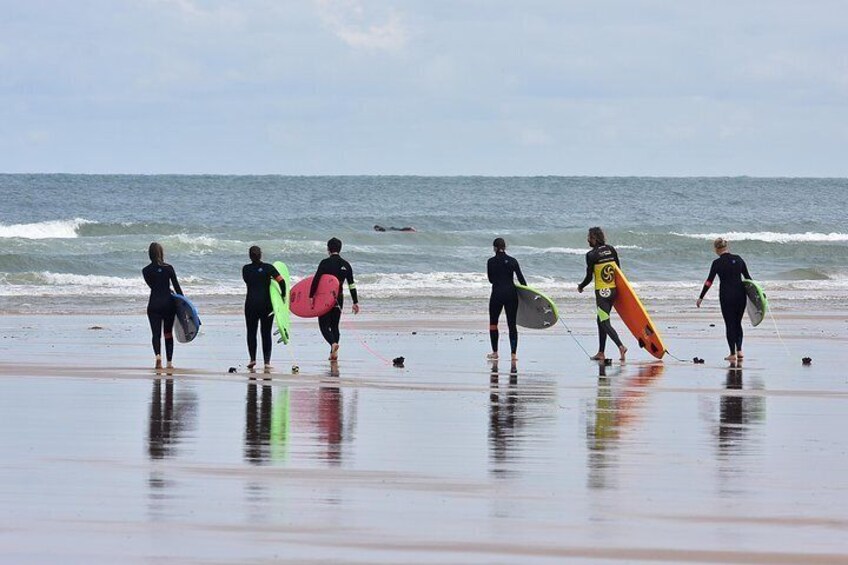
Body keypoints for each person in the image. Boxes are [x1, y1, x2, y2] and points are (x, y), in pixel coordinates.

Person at [696, 237, 752, 362]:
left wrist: (701, 297)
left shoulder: (717, 263)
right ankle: (740, 351)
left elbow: (709, 281)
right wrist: (757, 296)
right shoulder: (738, 259)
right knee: (738, 323)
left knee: (729, 324)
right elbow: (748, 279)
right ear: (727, 247)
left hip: (726, 296)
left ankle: (732, 353)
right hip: (740, 295)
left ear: (716, 249)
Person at [577, 227, 628, 362]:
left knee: (604, 321)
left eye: (589, 237)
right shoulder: (611, 249)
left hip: (602, 293)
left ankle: (621, 346)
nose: (587, 239)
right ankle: (601, 352)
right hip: (613, 291)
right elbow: (619, 271)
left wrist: (581, 286)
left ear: (593, 238)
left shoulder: (591, 255)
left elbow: (589, 277)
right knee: (600, 320)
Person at [310, 237, 359, 361]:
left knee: (323, 325)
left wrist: (311, 296)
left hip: (324, 299)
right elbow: (351, 284)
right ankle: (334, 353)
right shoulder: (346, 264)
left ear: (328, 249)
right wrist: (355, 302)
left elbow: (316, 280)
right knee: (335, 325)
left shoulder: (325, 263)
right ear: (340, 249)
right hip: (338, 298)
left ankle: (333, 344)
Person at [242, 246, 287, 371]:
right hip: (266, 305)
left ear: (250, 256)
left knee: (251, 332)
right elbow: (282, 282)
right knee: (265, 333)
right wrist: (282, 296)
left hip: (250, 304)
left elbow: (248, 280)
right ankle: (267, 362)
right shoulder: (269, 268)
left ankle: (252, 359)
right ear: (261, 255)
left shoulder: (245, 269)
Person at [142, 242, 182, 370]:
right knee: (168, 333)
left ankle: (158, 357)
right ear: (161, 253)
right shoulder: (169, 268)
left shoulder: (145, 270)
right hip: (168, 304)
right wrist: (183, 303)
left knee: (155, 334)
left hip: (153, 304)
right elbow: (177, 287)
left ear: (150, 254)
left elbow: (153, 286)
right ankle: (169, 363)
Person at [487, 237, 526, 362]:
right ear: (505, 247)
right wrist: (528, 297)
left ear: (494, 248)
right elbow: (522, 280)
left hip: (497, 294)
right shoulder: (513, 261)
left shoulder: (490, 261)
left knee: (493, 324)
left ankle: (495, 352)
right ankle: (513, 355)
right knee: (511, 324)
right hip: (511, 295)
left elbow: (491, 280)